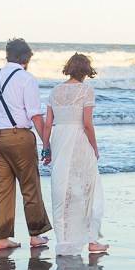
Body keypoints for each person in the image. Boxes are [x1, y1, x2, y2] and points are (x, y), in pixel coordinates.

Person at [0, 38, 52, 250]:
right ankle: (36, 235)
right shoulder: (26, 78)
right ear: (25, 58)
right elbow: (34, 115)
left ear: (8, 55)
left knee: (0, 189)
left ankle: (3, 239)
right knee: (30, 186)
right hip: (19, 137)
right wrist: (46, 143)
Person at [42, 53, 109, 255]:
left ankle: (64, 240)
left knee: (61, 188)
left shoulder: (55, 91)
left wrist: (46, 148)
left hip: (59, 138)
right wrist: (95, 147)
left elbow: (47, 124)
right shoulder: (86, 91)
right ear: (86, 71)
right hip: (79, 138)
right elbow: (87, 124)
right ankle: (91, 240)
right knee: (88, 187)